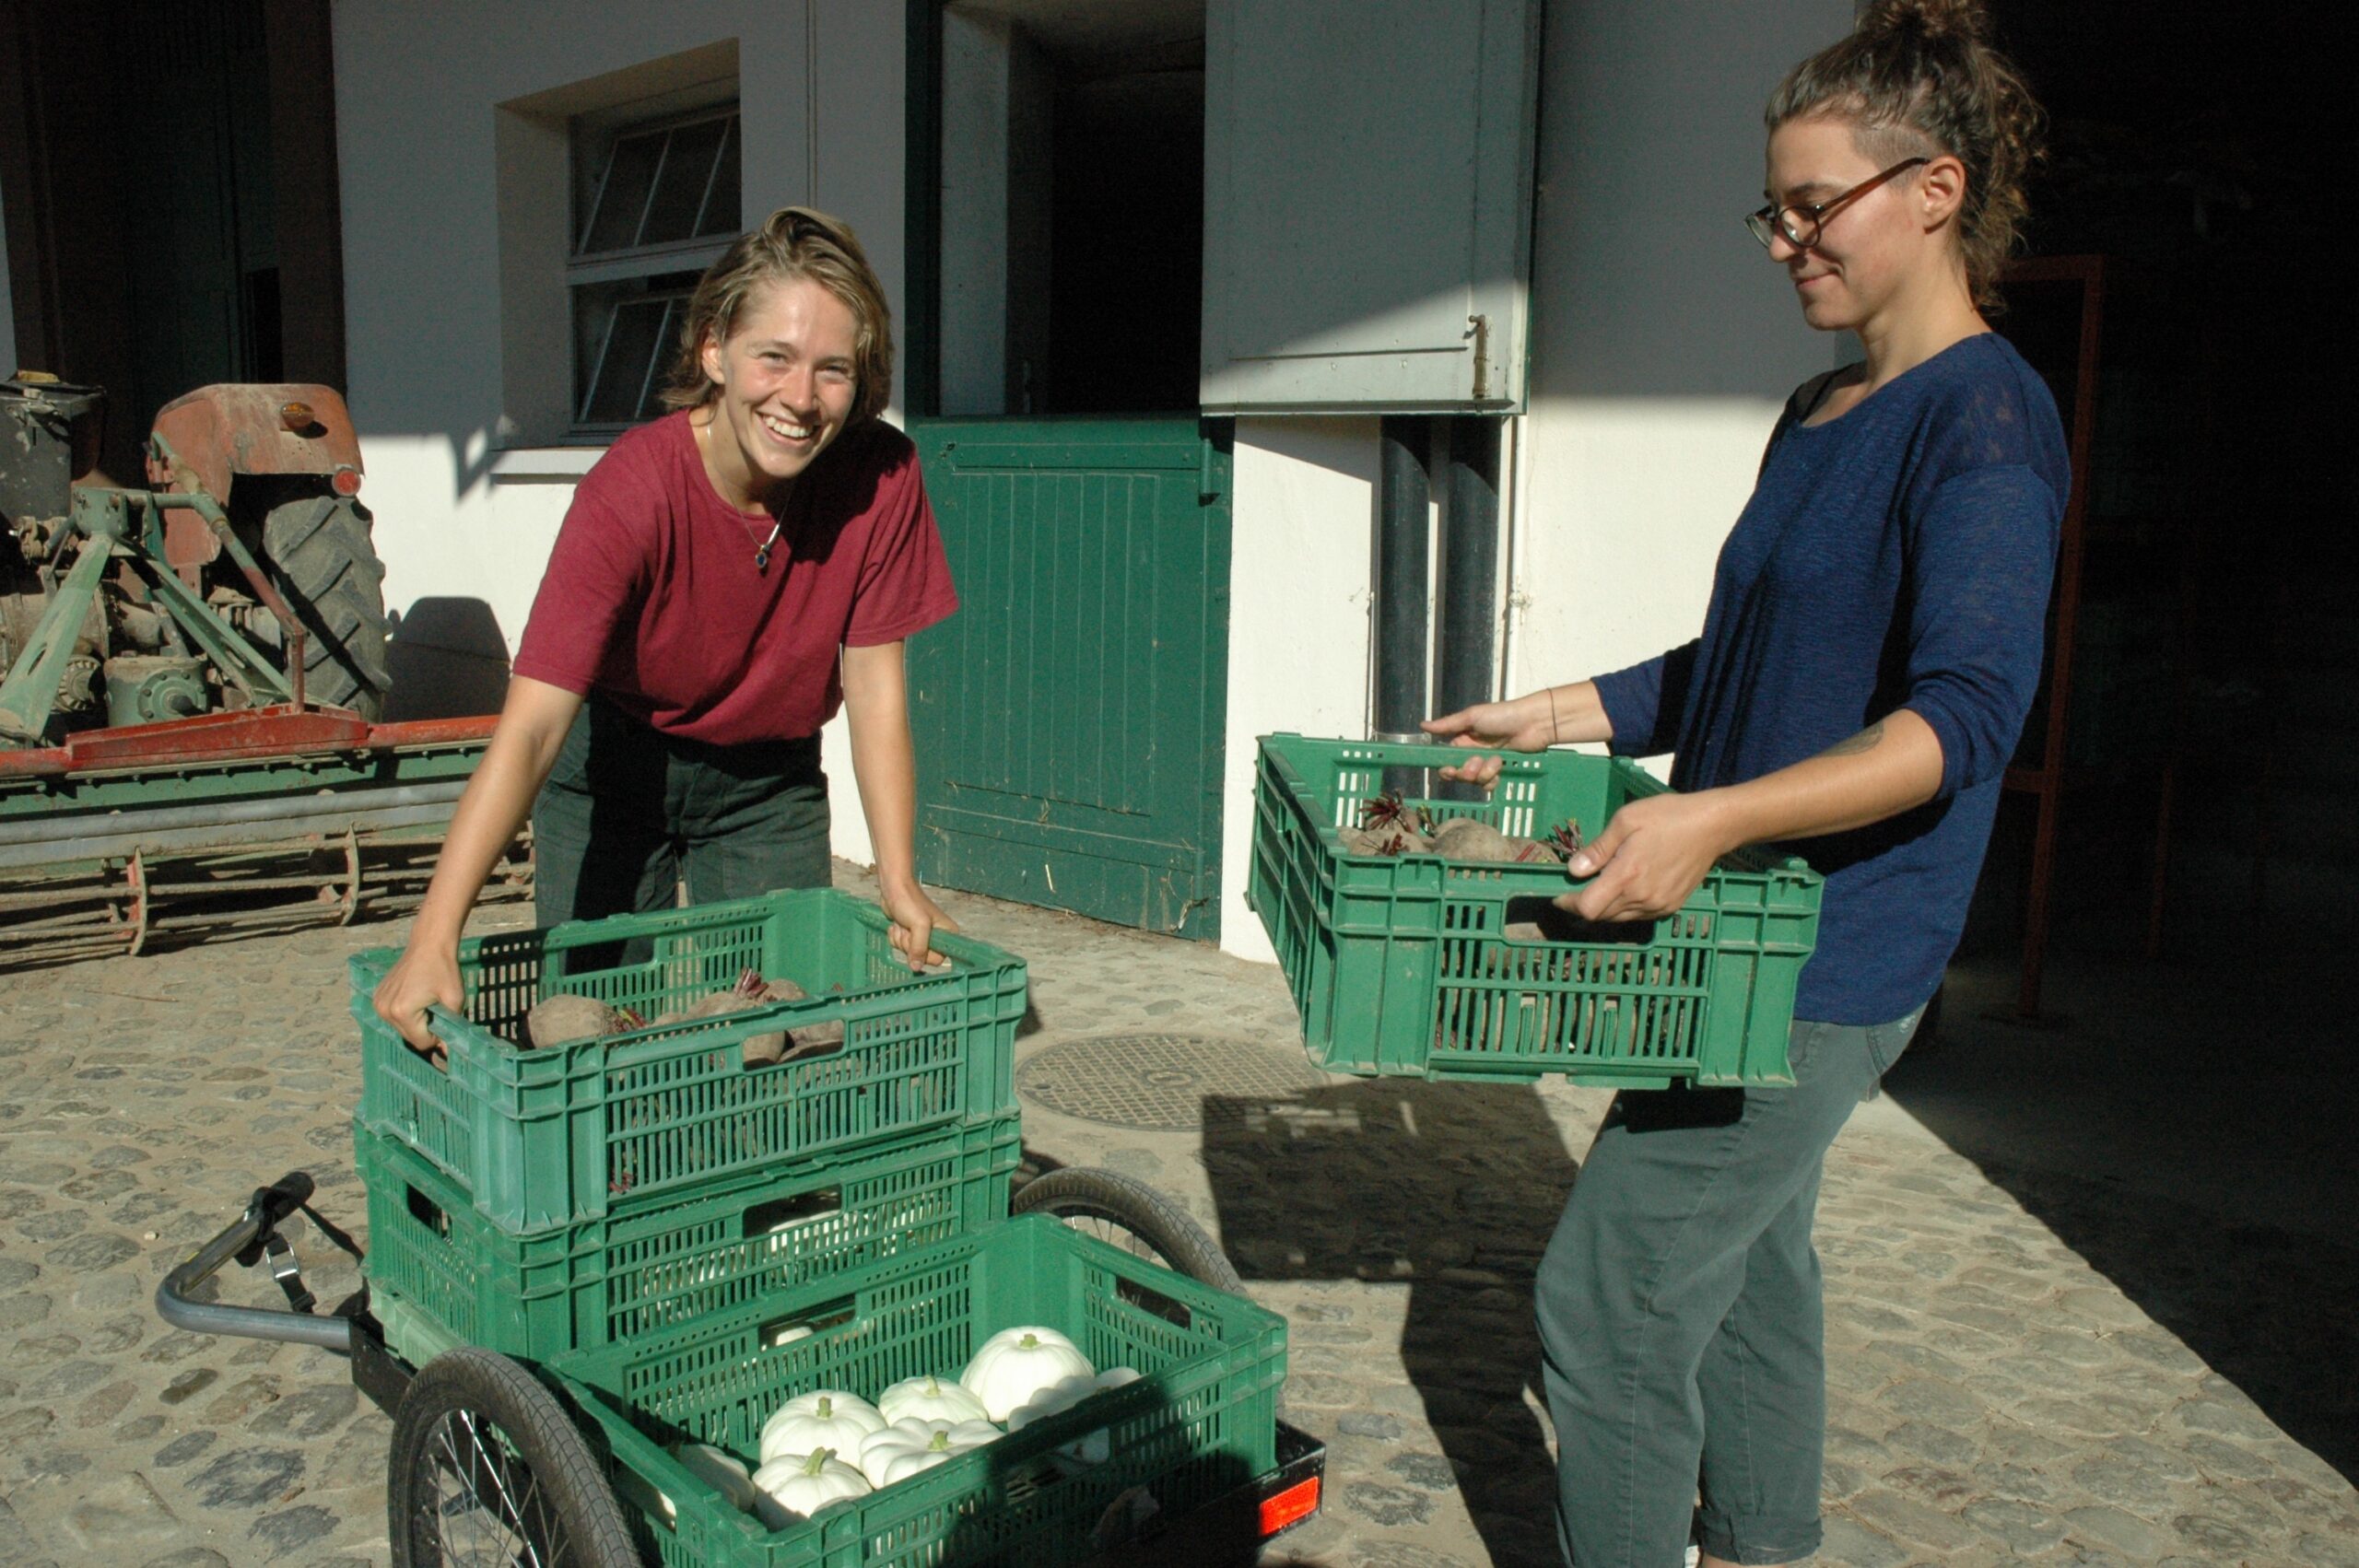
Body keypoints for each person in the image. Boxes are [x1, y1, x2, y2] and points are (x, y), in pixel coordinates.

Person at [1424, 3, 2062, 1562]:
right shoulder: (1821, 410)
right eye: (1772, 211)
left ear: (1936, 188)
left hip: (1831, 951)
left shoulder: (1983, 420)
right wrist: (1564, 714)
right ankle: (1763, 1543)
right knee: (1754, 1254)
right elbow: (1750, 657)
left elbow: (1963, 718)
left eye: (1814, 205)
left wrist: (1710, 817)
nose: (1785, 240)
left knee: (1610, 1291)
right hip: (1737, 940)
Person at [374, 207, 958, 1053]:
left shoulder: (882, 478)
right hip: (617, 769)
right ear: (715, 348)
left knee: (774, 1032)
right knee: (587, 1031)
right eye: (775, 357)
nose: (800, 397)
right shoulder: (632, 492)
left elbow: (873, 692)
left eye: (833, 369)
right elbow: (535, 726)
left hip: (766, 788)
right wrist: (433, 935)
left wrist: (900, 879)